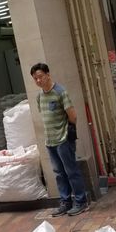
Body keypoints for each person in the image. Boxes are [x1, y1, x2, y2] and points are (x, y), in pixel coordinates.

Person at [31, 62, 89, 216]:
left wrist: (68, 133)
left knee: (71, 171)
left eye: (40, 77)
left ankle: (81, 202)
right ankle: (65, 202)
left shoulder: (60, 92)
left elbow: (73, 116)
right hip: (50, 142)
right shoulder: (39, 97)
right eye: (35, 78)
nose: (38, 81)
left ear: (48, 75)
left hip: (63, 139)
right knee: (59, 173)